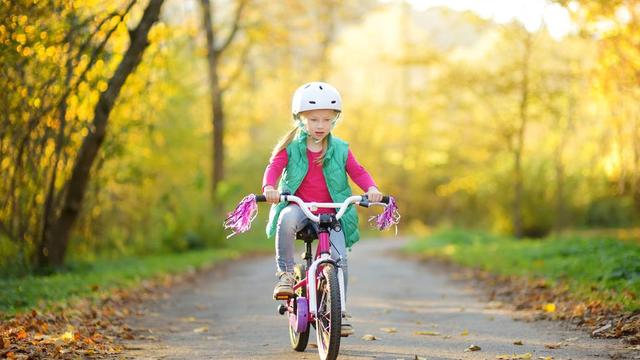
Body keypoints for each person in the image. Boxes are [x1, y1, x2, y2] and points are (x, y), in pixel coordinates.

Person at [262, 81, 383, 337]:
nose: (320, 125)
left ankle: (340, 312)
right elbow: (273, 167)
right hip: (301, 207)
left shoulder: (340, 149)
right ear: (301, 119)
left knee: (340, 260)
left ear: (334, 120)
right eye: (314, 119)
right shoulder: (292, 148)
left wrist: (371, 188)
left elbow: (358, 171)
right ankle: (285, 275)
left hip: (331, 211)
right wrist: (269, 187)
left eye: (326, 120)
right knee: (285, 219)